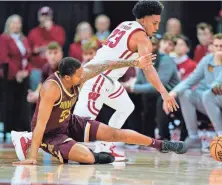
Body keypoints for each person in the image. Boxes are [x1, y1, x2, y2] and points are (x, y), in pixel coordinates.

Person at [12, 0, 179, 161]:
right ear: (144, 19)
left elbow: (109, 46)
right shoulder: (142, 38)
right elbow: (148, 69)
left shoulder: (125, 25)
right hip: (100, 78)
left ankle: (106, 146)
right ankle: (27, 137)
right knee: (77, 123)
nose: (157, 28)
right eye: (155, 23)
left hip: (108, 78)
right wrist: (165, 93)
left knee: (126, 106)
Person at [13, 56, 186, 165]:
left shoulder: (78, 75)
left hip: (69, 121)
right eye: (79, 76)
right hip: (49, 134)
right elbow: (40, 124)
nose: (83, 77)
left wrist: (134, 62)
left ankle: (162, 145)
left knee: (114, 133)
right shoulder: (51, 88)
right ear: (66, 77)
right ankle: (94, 156)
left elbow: (104, 64)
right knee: (86, 158)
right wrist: (32, 157)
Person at [164, 33, 222, 151]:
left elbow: (217, 86)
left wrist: (217, 64)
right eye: (216, 46)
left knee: (208, 94)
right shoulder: (207, 59)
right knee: (185, 93)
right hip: (209, 101)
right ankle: (193, 137)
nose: (218, 49)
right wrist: (172, 94)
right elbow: (191, 79)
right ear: (211, 46)